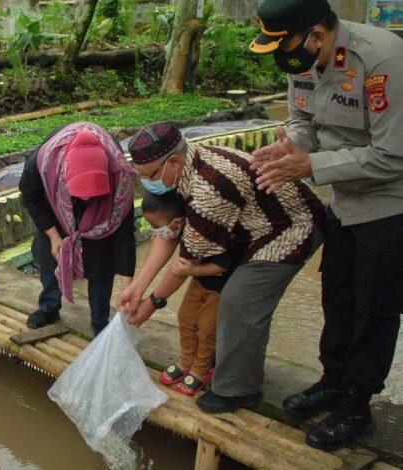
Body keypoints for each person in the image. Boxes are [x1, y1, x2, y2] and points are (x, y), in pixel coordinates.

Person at [248, 0, 403, 451]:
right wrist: (289, 148)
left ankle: (357, 406)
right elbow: (302, 120)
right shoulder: (301, 58)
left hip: (388, 205)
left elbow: (393, 156)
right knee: (337, 297)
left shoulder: (382, 60)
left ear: (317, 34)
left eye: (288, 45)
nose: (284, 59)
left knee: (374, 309)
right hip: (342, 199)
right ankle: (333, 381)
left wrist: (310, 165)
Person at [117, 121, 324, 413]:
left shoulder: (208, 192)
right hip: (244, 229)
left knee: (239, 301)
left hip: (288, 227)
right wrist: (137, 288)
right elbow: (168, 235)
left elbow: (184, 264)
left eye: (148, 176)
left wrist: (150, 305)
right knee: (204, 306)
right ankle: (215, 359)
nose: (146, 184)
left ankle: (238, 390)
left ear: (173, 162)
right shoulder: (182, 169)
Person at [19, 123, 136, 336]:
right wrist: (53, 235)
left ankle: (100, 321)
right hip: (56, 205)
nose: (86, 199)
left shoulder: (120, 177)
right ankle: (49, 307)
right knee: (49, 255)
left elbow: (124, 234)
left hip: (104, 211)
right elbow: (29, 196)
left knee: (102, 261)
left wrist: (129, 288)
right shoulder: (43, 162)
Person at [142, 191, 237, 397]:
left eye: (157, 226)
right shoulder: (185, 232)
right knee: (185, 318)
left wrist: (192, 271)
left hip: (219, 288)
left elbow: (223, 264)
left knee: (207, 329)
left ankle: (202, 369)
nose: (155, 232)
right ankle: (186, 360)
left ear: (177, 222)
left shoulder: (209, 230)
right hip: (198, 283)